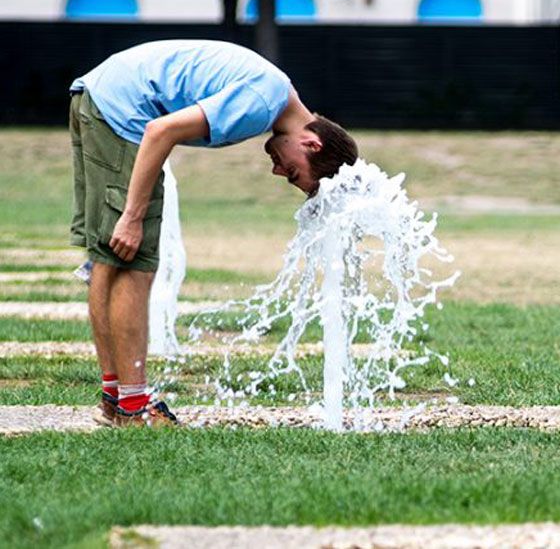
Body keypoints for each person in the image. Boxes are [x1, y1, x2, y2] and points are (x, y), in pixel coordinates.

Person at [68, 39, 358, 427]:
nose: (277, 171)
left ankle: (116, 399)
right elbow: (160, 130)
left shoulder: (272, 94)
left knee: (109, 258)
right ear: (312, 143)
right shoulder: (263, 101)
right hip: (120, 110)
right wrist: (133, 215)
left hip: (99, 97)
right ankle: (133, 408)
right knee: (133, 261)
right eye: (292, 172)